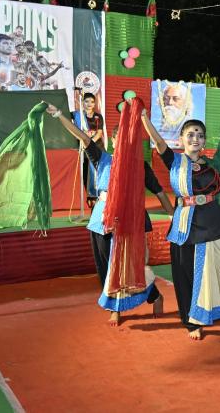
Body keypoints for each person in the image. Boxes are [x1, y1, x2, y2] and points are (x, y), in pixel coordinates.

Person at [47, 102, 173, 325]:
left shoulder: (141, 166)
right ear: (114, 141)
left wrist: (173, 216)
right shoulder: (103, 159)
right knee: (106, 267)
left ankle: (154, 296)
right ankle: (114, 307)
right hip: (102, 220)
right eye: (120, 138)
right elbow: (82, 137)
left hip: (129, 223)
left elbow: (160, 192)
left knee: (131, 268)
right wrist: (58, 115)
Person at [141, 111, 220, 340]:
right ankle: (191, 321)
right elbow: (158, 141)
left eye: (200, 135)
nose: (195, 138)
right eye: (190, 134)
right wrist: (144, 119)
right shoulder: (175, 161)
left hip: (213, 224)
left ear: (204, 141)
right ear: (181, 139)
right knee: (185, 276)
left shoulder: (212, 168)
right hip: (185, 227)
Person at [72, 92, 105, 207]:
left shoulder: (98, 117)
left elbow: (99, 133)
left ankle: (99, 196)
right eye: (86, 101)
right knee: (86, 172)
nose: (89, 104)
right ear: (82, 103)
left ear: (95, 104)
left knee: (98, 172)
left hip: (97, 147)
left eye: (92, 102)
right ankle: (90, 197)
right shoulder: (78, 116)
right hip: (84, 149)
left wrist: (90, 143)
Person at [154, 81, 193, 148]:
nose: (170, 102)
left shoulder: (190, 125)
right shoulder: (160, 122)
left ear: (186, 103)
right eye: (166, 98)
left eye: (176, 99)